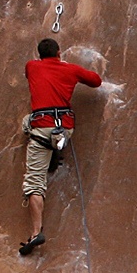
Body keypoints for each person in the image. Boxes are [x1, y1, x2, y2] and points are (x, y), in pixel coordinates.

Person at [19, 37, 103, 256]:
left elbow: (34, 74)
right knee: (52, 137)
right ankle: (56, 151)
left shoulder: (32, 66)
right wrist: (69, 69)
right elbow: (96, 81)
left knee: (34, 182)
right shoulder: (70, 69)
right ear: (59, 53)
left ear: (39, 55)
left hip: (41, 129)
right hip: (64, 129)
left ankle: (36, 232)